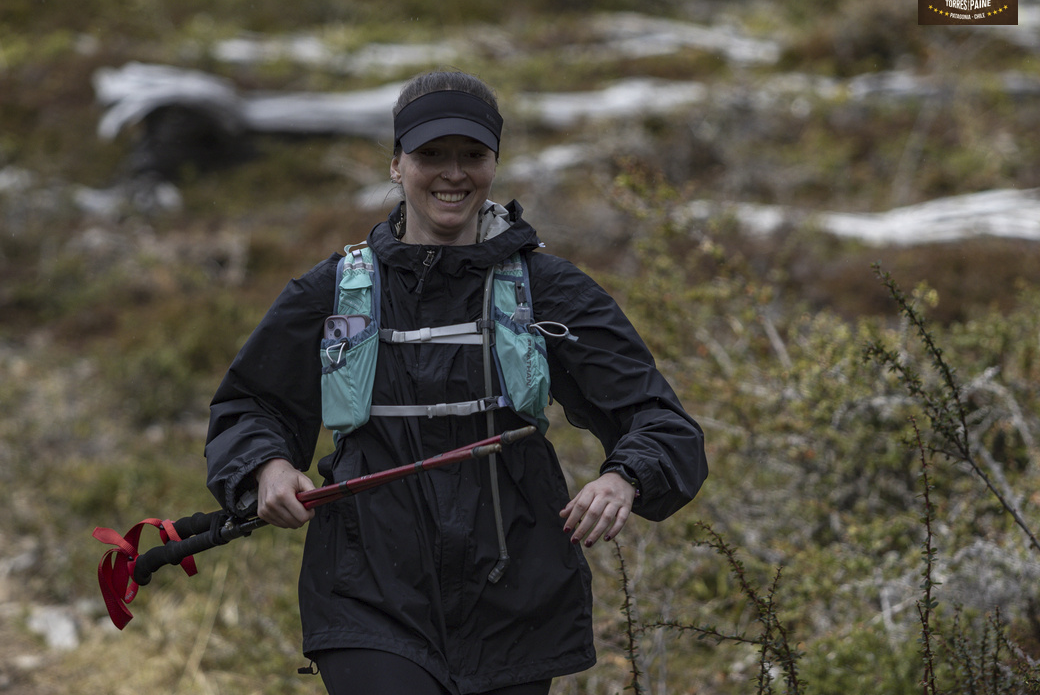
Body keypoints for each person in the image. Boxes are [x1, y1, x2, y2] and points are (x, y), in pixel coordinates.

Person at [205, 70, 707, 695]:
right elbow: (252, 404)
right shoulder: (333, 290)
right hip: (368, 587)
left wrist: (624, 477)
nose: (453, 173)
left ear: (494, 163)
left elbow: (660, 420)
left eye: (472, 155)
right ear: (396, 165)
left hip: (517, 592)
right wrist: (267, 468)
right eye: (431, 155)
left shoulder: (550, 290)